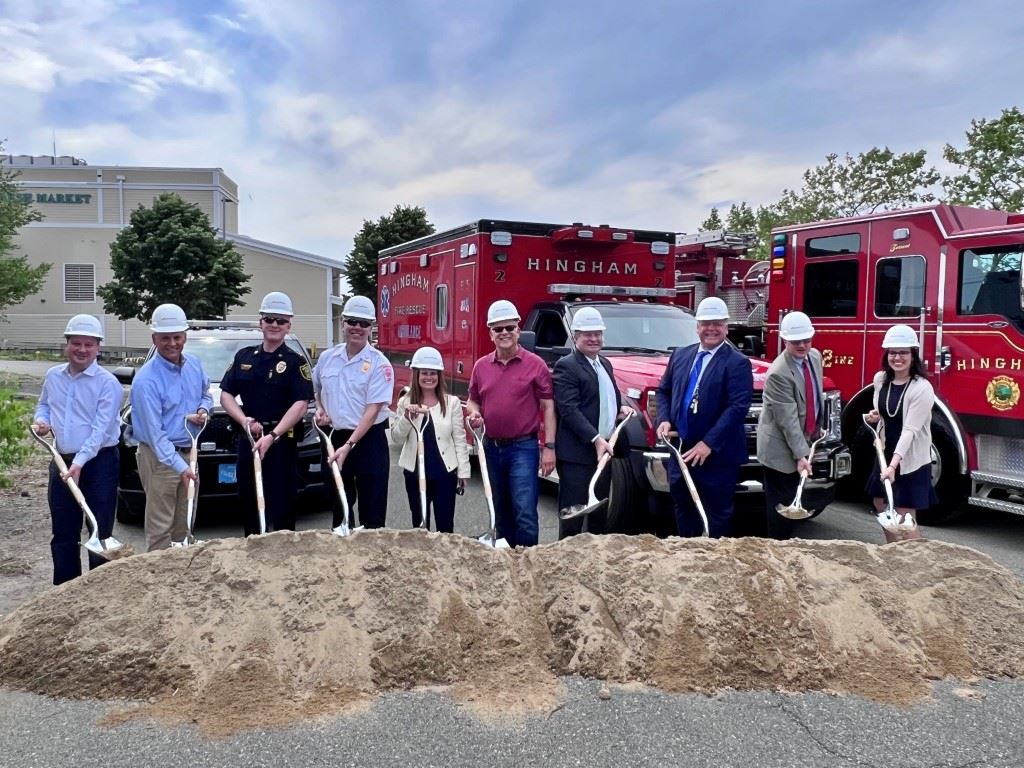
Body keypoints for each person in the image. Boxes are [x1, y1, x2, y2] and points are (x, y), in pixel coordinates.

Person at [32, 315, 123, 584]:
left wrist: (80, 462)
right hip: (62, 461)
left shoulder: (108, 383)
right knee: (63, 532)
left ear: (98, 347)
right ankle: (65, 590)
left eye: (88, 344)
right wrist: (42, 421)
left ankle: (98, 590)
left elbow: (101, 430)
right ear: (67, 344)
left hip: (100, 464)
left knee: (100, 531)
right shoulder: (53, 376)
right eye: (76, 343)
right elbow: (44, 405)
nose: (82, 350)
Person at [655, 296, 752, 538]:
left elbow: (737, 407)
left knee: (716, 515)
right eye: (706, 323)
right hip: (681, 451)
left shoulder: (737, 363)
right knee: (684, 509)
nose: (711, 329)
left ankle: (715, 564)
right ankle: (687, 559)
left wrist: (708, 444)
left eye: (717, 323)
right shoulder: (681, 355)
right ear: (697, 326)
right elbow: (663, 391)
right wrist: (664, 419)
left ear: (726, 327)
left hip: (717, 457)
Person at [219, 292, 313, 535]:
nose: (274, 325)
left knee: (282, 503)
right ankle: (253, 550)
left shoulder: (295, 362)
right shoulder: (244, 357)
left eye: (281, 321)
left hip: (281, 441)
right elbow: (226, 395)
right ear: (260, 322)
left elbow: (300, 404)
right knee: (250, 500)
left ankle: (283, 557)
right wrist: (244, 420)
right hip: (249, 440)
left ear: (288, 326)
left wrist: (273, 436)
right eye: (269, 319)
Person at [466, 299, 556, 547]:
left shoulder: (536, 365)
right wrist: (473, 414)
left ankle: (528, 561)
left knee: (524, 509)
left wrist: (549, 447)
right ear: (490, 333)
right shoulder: (481, 367)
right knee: (499, 508)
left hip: (523, 448)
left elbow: (548, 407)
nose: (504, 333)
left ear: (518, 329)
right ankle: (506, 562)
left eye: (509, 327)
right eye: (498, 329)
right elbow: (473, 401)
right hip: (491, 448)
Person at [130, 303, 212, 551]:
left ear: (185, 336)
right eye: (165, 338)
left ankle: (181, 580)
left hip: (190, 453)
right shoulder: (146, 380)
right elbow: (156, 436)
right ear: (154, 338)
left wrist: (203, 410)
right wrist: (181, 468)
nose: (172, 343)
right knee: (160, 528)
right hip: (159, 459)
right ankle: (158, 582)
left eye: (177, 337)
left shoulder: (194, 364)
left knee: (184, 524)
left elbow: (206, 395)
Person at [312, 295, 393, 530]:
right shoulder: (328, 358)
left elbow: (372, 410)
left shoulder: (380, 364)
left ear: (371, 328)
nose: (357, 328)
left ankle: (372, 560)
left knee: (373, 510)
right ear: (343, 323)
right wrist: (320, 409)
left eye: (364, 323)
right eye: (352, 322)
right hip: (333, 437)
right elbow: (316, 388)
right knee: (340, 507)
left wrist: (348, 446)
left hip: (368, 440)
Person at [552, 307, 632, 538]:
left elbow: (605, 397)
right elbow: (569, 409)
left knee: (598, 515)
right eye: (588, 334)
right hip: (577, 456)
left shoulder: (604, 364)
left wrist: (619, 410)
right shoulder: (567, 366)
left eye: (597, 333)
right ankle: (567, 564)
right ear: (576, 336)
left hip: (604, 453)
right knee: (574, 517)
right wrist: (595, 438)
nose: (594, 339)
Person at [757, 311, 825, 540]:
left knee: (796, 500)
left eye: (807, 340)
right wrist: (801, 455)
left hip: (804, 440)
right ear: (785, 340)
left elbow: (814, 396)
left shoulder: (814, 357)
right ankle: (778, 552)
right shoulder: (778, 373)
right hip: (779, 450)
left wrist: (817, 432)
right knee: (781, 509)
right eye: (797, 342)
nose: (803, 345)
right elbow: (788, 420)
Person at [864, 324, 935, 540]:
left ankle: (914, 561)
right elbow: (887, 410)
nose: (897, 358)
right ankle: (893, 551)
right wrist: (876, 416)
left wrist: (894, 466)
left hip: (909, 458)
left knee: (904, 513)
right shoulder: (880, 380)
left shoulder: (922, 388)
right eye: (893, 352)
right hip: (885, 453)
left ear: (913, 356)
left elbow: (910, 431)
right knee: (880, 502)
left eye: (903, 352)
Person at [391, 346, 470, 533]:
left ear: (439, 375)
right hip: (415, 472)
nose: (429, 377)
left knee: (445, 526)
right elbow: (396, 437)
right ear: (416, 375)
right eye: (424, 373)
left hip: (444, 472)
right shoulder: (405, 402)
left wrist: (464, 471)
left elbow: (459, 438)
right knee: (420, 525)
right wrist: (407, 418)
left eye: (433, 373)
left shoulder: (452, 403)